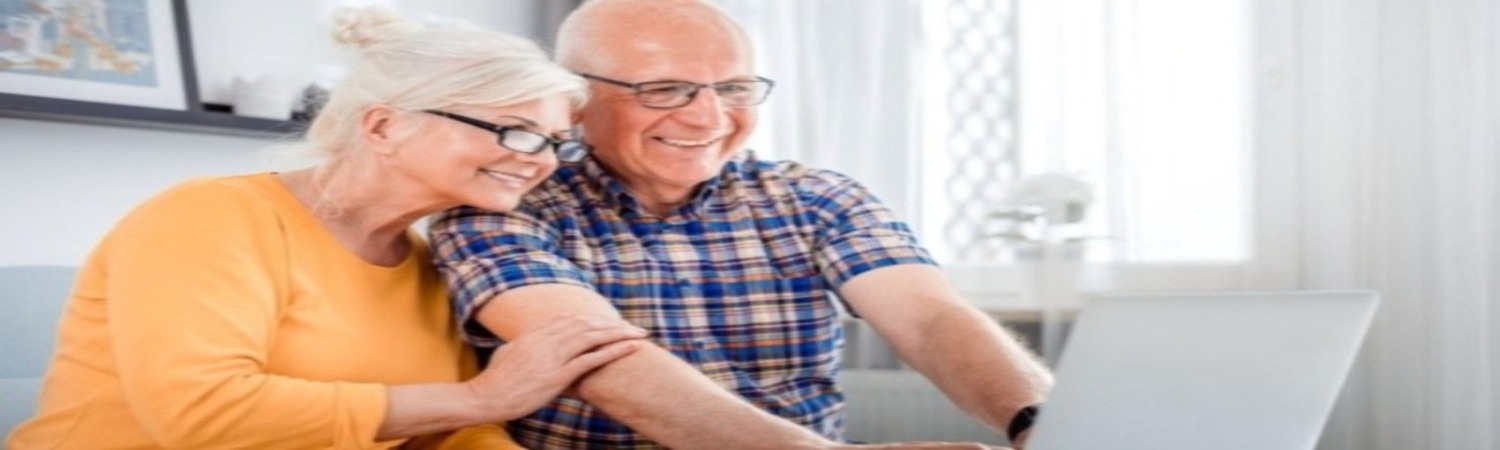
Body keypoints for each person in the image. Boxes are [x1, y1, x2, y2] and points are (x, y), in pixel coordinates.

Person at [6, 7, 648, 449]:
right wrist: (485, 398)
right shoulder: (209, 217)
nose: (537, 159)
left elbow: (447, 431)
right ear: (383, 126)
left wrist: (478, 418)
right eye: (514, 130)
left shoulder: (431, 262)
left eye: (554, 144)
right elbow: (203, 415)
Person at [429, 0, 1055, 448]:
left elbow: (929, 319)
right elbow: (605, 364)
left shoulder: (814, 197)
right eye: (667, 89)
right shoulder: (502, 208)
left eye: (734, 88)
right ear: (575, 99)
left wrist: (1038, 424)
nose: (708, 118)